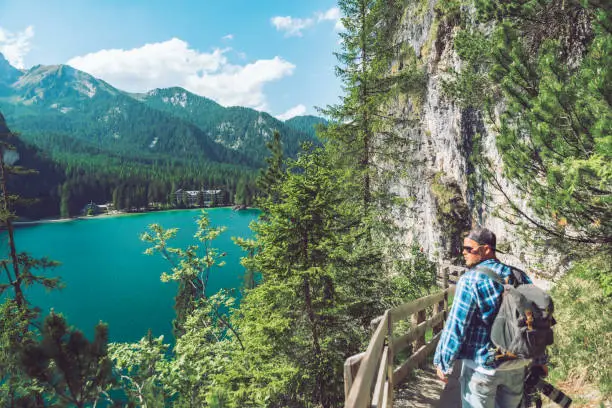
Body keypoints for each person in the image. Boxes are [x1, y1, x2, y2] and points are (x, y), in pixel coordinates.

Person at [433, 227, 547, 408]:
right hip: (516, 364)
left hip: (483, 366)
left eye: (469, 249)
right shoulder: (520, 276)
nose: (464, 252)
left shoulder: (470, 280)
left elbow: (457, 325)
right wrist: (540, 360)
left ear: (486, 249)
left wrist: (443, 362)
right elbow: (536, 318)